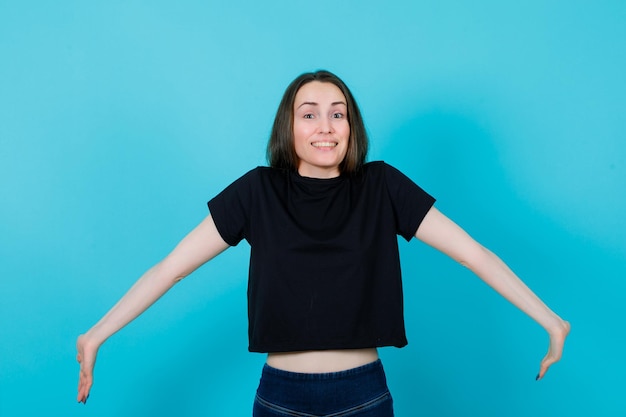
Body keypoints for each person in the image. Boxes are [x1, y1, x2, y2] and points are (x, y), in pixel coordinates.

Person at [76, 70, 570, 416]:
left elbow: (476, 255)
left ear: (350, 127)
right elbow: (170, 269)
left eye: (338, 114)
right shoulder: (257, 191)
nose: (326, 127)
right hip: (280, 397)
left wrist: (551, 320)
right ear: (288, 127)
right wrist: (96, 334)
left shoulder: (382, 187)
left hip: (363, 396)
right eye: (309, 114)